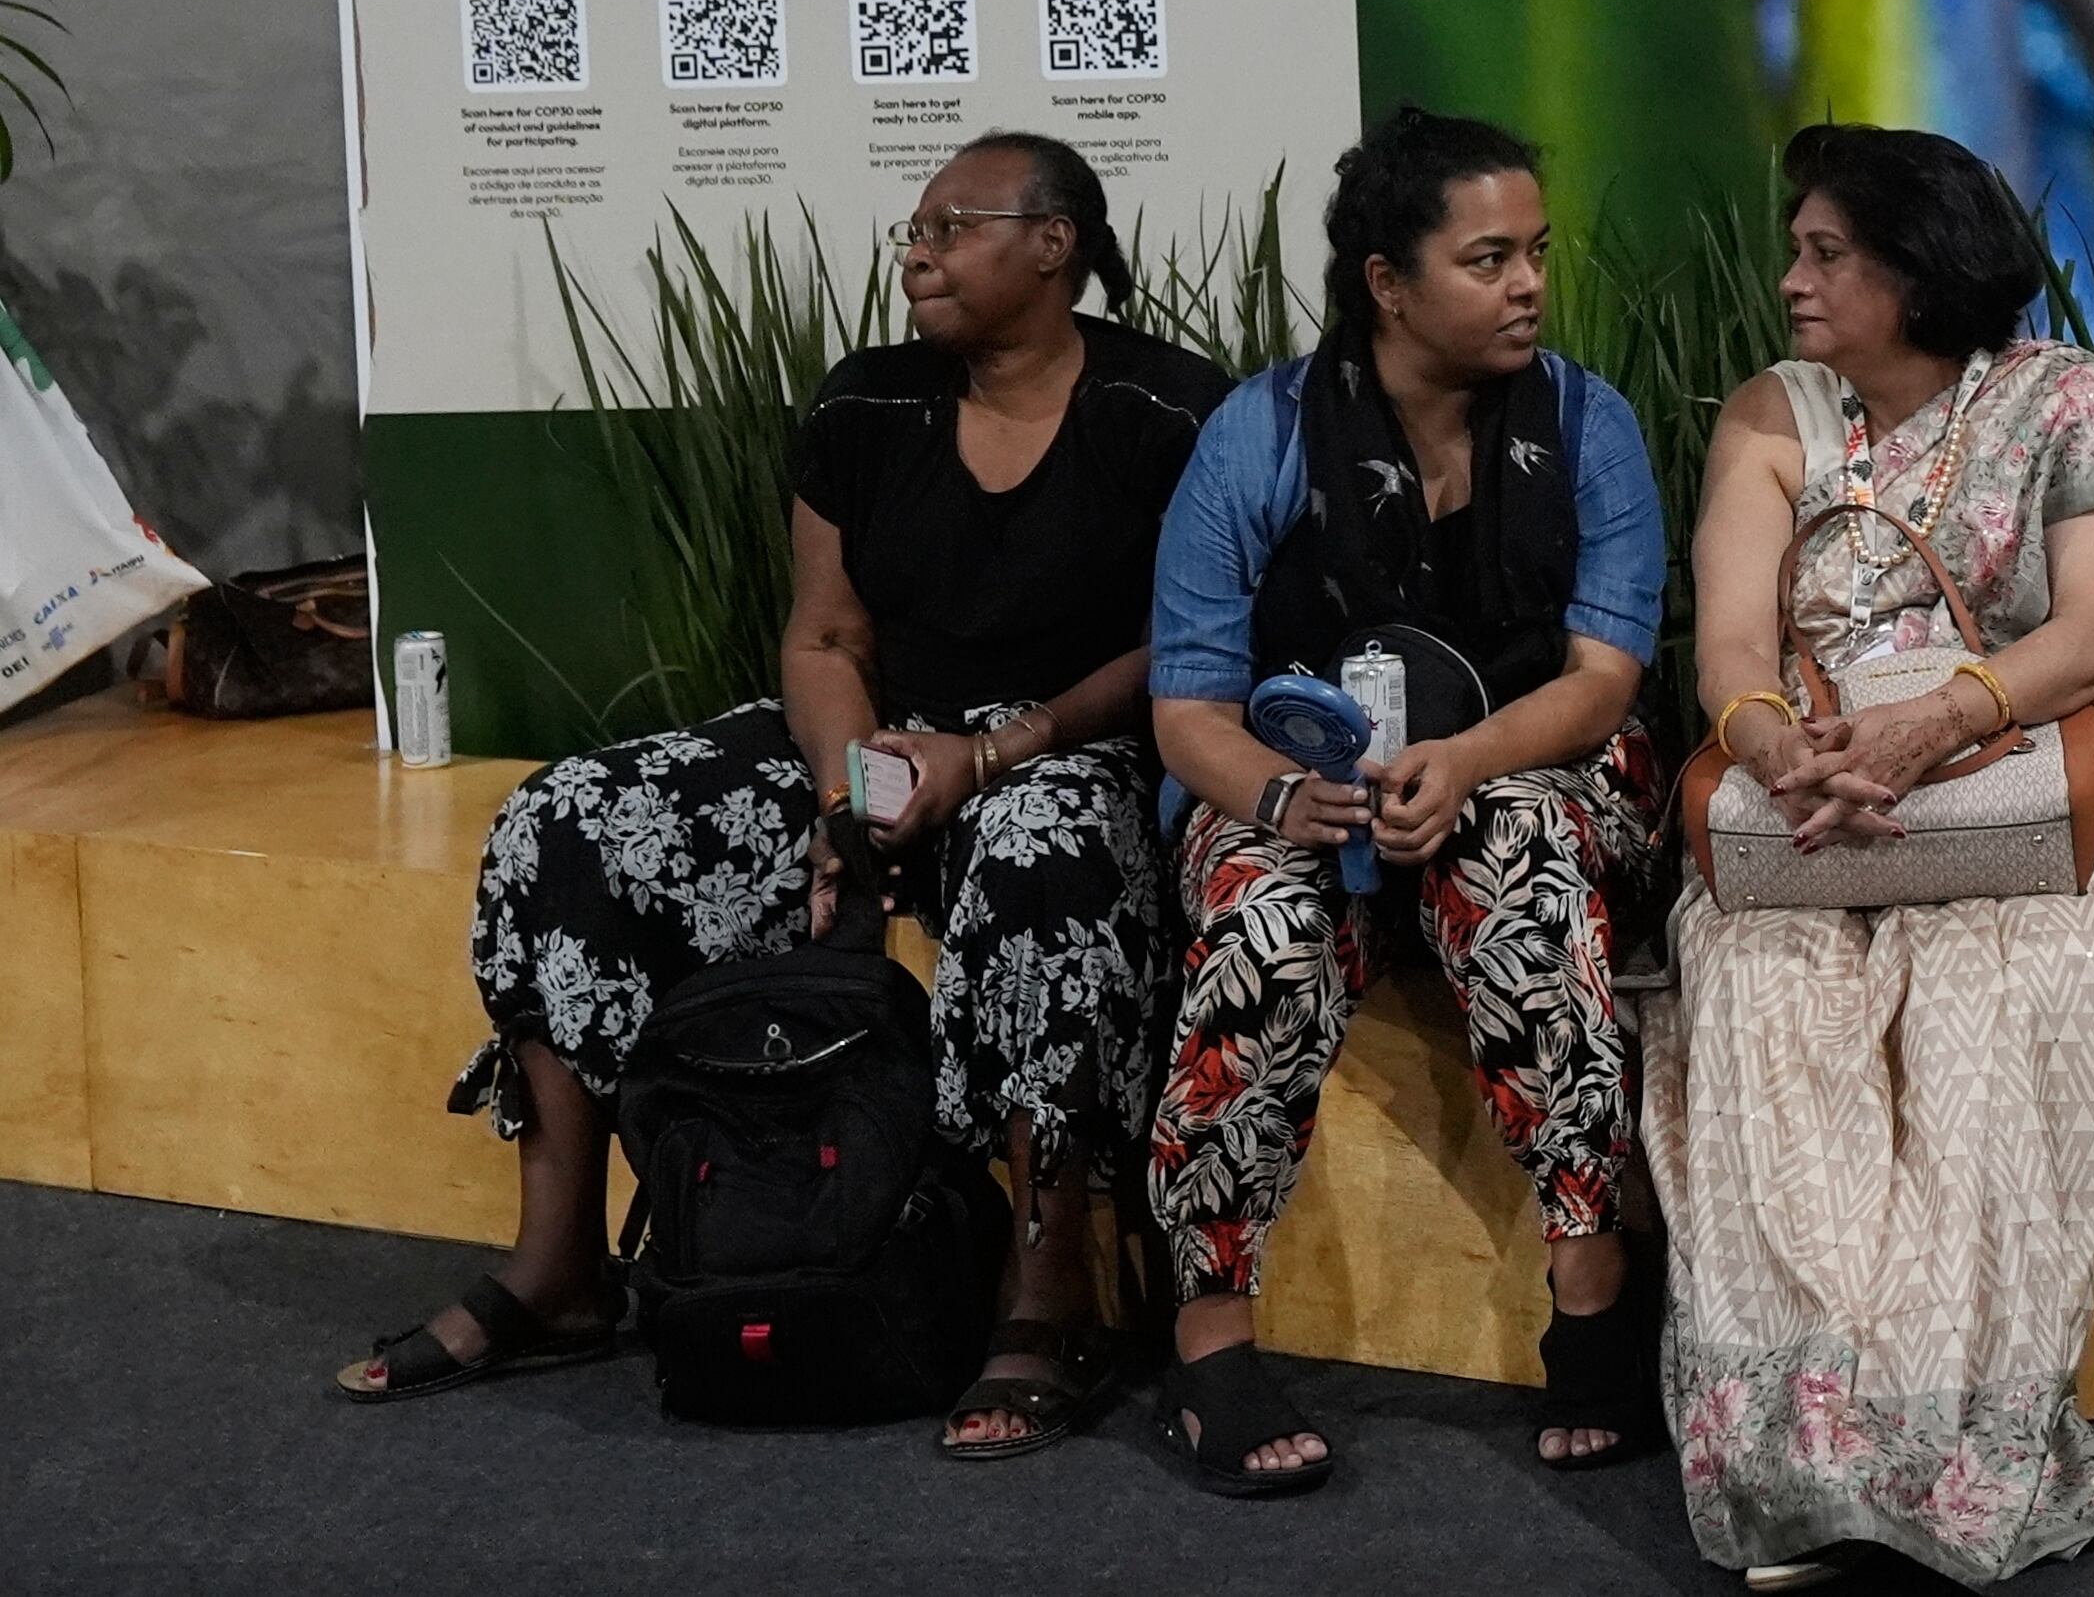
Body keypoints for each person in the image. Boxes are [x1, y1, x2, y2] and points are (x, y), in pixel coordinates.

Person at [339, 131, 1227, 1457]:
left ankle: (1052, 1291)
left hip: (1064, 747)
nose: (918, 247)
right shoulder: (863, 405)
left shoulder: (1169, 409)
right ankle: (559, 1263)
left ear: (1053, 243)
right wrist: (841, 796)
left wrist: (990, 753)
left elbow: (1192, 639)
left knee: (1045, 851)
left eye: (954, 222)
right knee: (568, 818)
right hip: (869, 738)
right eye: (913, 227)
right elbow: (823, 638)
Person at [1648, 123, 2094, 1591]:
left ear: (1919, 267)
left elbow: (2093, 632)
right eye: (1797, 245)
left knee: (1998, 1015)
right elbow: (1727, 631)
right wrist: (1779, 742)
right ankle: (1801, 1459)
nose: (1790, 276)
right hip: (1813, 789)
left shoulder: (2071, 405)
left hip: (2030, 792)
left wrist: (1928, 730)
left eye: (1826, 250)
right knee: (1771, 1008)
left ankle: (1952, 1451)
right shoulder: (1773, 412)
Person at [1139, 109, 1672, 1491]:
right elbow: (1188, 705)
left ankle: (1594, 1277)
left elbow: (1603, 676)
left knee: (1518, 853)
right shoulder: (1255, 435)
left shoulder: (1586, 422)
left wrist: (1471, 759)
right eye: (1486, 256)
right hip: (1300, 776)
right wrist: (1278, 793)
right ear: (1386, 280)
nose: (1527, 284)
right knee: (1265, 919)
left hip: (1534, 759)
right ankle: (1207, 1335)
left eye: (1535, 252)